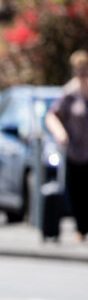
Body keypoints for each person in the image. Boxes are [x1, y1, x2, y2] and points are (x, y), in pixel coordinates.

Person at [45, 49, 88, 242]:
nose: (82, 75)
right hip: (76, 152)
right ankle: (81, 228)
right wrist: (60, 133)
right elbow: (52, 115)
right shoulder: (70, 93)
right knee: (78, 192)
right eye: (79, 71)